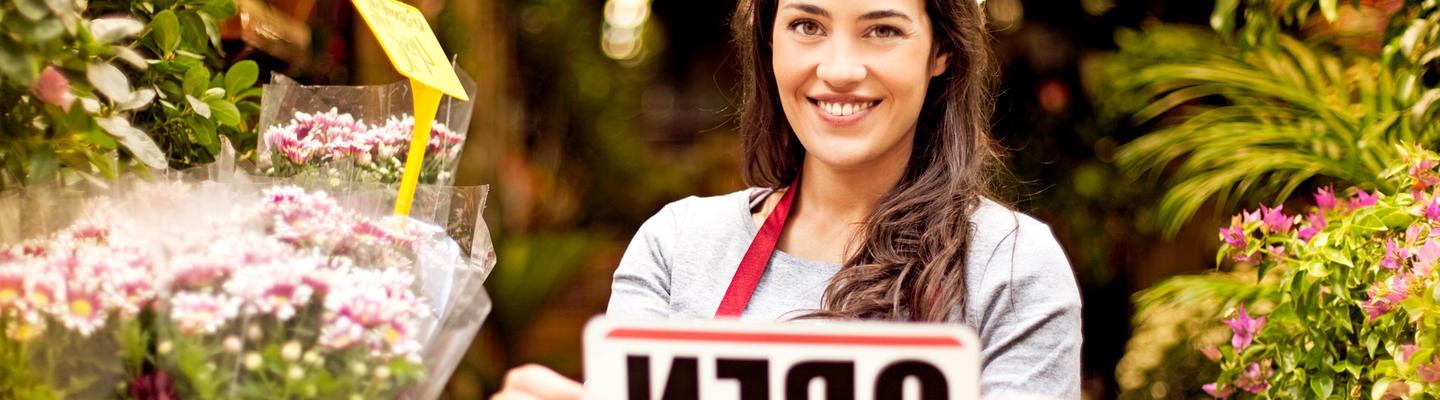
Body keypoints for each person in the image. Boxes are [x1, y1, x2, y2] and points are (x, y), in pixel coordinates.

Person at [493, 0, 1082, 398]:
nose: (840, 68)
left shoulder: (1013, 268)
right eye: (807, 25)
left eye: (883, 29)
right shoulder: (678, 245)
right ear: (769, 43)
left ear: (940, 52)